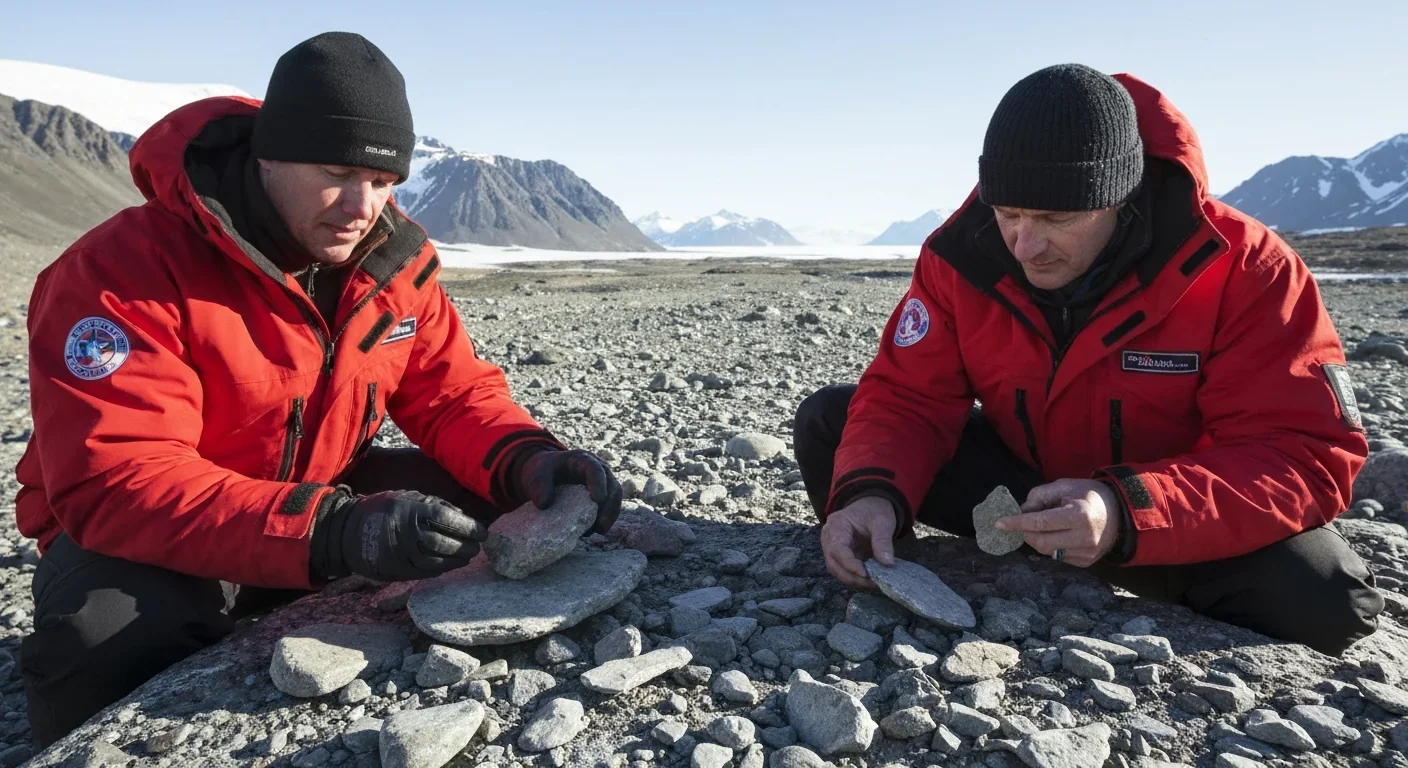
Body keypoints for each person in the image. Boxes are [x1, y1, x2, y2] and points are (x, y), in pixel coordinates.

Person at [13, 31, 623, 747]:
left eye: (386, 182)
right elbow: (118, 481)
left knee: (502, 498)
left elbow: (451, 394)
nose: (363, 207)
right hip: (152, 538)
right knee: (103, 644)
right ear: (270, 153)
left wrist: (529, 458)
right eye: (337, 172)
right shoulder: (123, 272)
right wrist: (332, 530)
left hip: (316, 499)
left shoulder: (394, 264)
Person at [795, 64, 1383, 657]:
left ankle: (1120, 561)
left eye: (1056, 219)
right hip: (1026, 493)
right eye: (1010, 215)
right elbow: (908, 395)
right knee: (833, 427)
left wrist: (1124, 511)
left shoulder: (1246, 268)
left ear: (1119, 198)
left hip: (1165, 510)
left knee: (1330, 600)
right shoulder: (960, 254)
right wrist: (871, 497)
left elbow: (1304, 455)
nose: (1025, 246)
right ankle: (1024, 547)